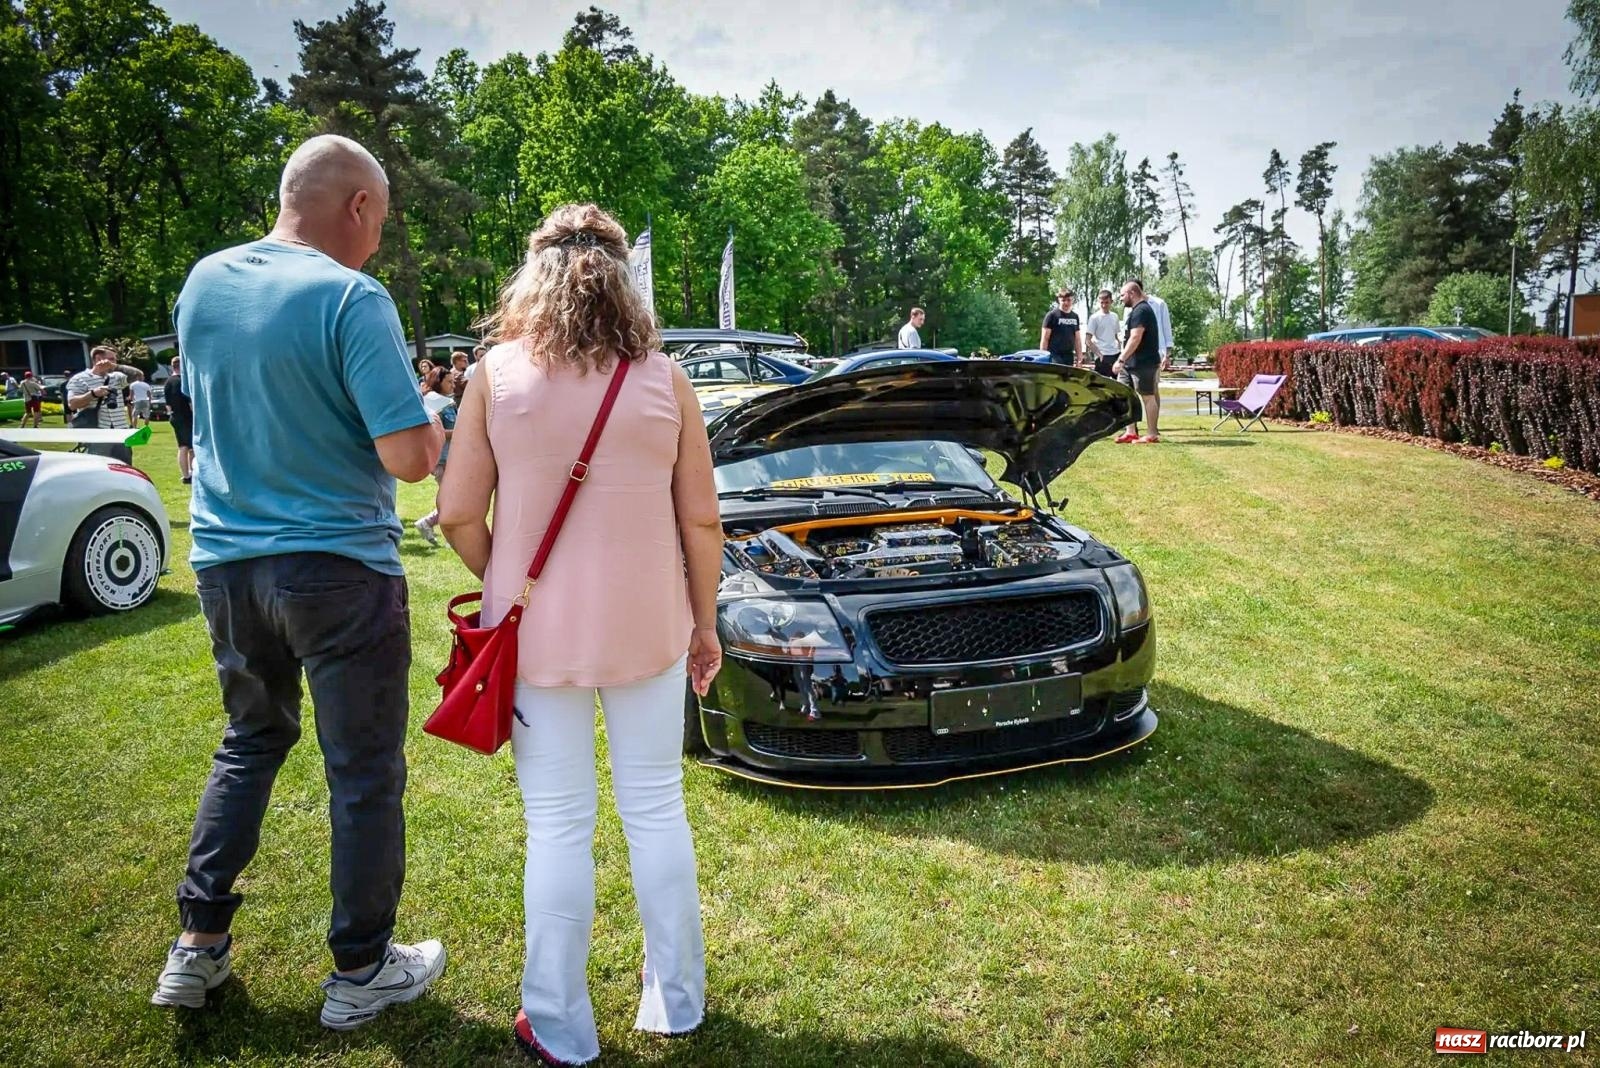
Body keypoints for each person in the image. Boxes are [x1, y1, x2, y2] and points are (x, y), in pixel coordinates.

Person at [151, 133, 447, 1029]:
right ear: (358, 206)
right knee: (362, 769)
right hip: (338, 564)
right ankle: (362, 967)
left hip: (226, 562)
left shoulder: (202, 282)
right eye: (380, 221)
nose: (378, 242)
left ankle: (197, 943)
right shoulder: (353, 297)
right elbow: (409, 459)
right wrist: (435, 424)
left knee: (249, 741)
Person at [437, 203, 720, 1066]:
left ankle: (559, 1025)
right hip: (650, 625)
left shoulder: (494, 376)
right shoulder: (665, 379)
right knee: (656, 809)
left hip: (535, 637)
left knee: (558, 825)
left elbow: (457, 514)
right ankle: (677, 1000)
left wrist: (507, 580)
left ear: (533, 275)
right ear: (622, 278)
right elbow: (702, 521)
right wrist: (705, 622)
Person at [1113, 280, 1164, 443]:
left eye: (1123, 295)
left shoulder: (1142, 310)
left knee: (1147, 396)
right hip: (1130, 363)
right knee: (1125, 395)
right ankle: (1130, 431)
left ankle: (1152, 434)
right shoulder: (1135, 311)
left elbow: (1135, 337)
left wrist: (1121, 359)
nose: (1121, 298)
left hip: (1143, 363)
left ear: (1132, 293)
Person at [412, 366, 456, 546]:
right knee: (452, 500)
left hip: (450, 458)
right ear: (438, 381)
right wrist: (460, 431)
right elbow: (434, 432)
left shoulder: (447, 402)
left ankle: (428, 523)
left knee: (453, 499)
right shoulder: (433, 403)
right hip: (442, 459)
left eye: (453, 381)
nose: (453, 385)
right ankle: (431, 525)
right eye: (449, 382)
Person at [65, 347, 142, 430]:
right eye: (111, 359)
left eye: (115, 360)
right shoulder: (79, 378)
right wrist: (93, 394)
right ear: (98, 359)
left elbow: (138, 375)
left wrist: (116, 366)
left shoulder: (117, 377)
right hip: (96, 430)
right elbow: (72, 404)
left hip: (120, 428)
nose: (114, 362)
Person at [165, 355, 194, 484]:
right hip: (186, 417)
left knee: (184, 445)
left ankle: (187, 474)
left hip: (175, 416)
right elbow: (190, 403)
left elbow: (168, 405)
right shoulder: (183, 382)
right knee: (189, 447)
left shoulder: (168, 382)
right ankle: (190, 473)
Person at [1039, 289, 1083, 366]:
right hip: (1054, 355)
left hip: (1069, 355)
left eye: (1069, 300)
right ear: (1059, 300)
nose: (1066, 303)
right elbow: (1045, 339)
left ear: (1072, 300)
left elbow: (1077, 339)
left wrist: (1079, 357)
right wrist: (1042, 358)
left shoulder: (1075, 317)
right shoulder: (1051, 315)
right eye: (1063, 300)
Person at [1086, 289, 1123, 377]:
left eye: (1106, 302)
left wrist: (1120, 348)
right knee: (1101, 383)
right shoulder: (1094, 318)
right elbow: (1087, 340)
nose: (1104, 305)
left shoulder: (1115, 316)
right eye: (1101, 302)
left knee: (1117, 382)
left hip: (1115, 354)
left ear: (1111, 302)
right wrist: (1099, 355)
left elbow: (1116, 335)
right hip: (1102, 354)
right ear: (1098, 302)